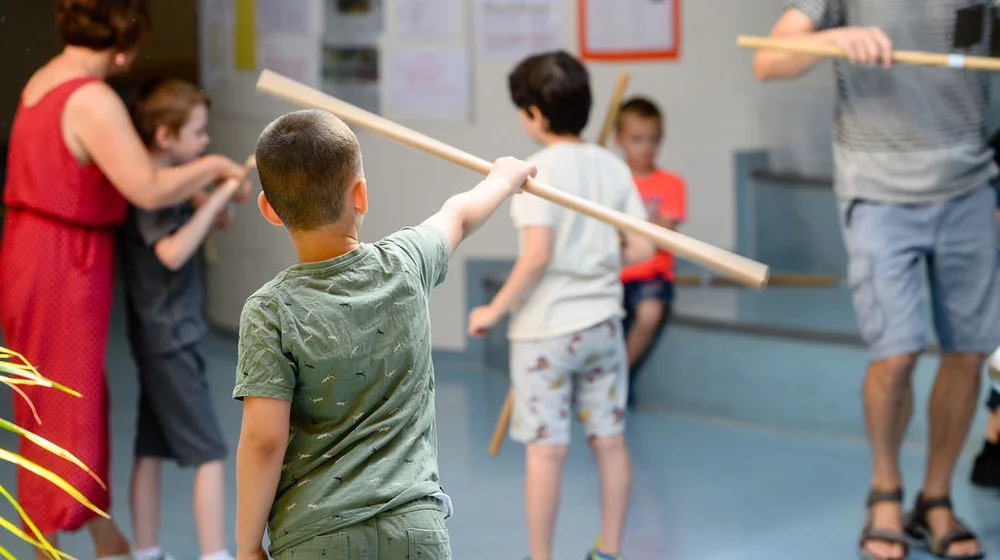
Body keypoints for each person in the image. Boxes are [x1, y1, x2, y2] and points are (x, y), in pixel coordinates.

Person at [231, 109, 537, 560]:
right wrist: (504, 178)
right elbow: (459, 214)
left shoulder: (269, 311)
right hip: (416, 530)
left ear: (268, 210)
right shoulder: (406, 264)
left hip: (314, 537)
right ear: (361, 195)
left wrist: (245, 545)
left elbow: (263, 440)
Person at [753, 3, 999, 560]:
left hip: (969, 183)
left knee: (968, 353)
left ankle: (934, 500)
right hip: (877, 188)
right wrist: (836, 38)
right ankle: (884, 492)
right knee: (897, 352)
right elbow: (768, 61)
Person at [0, 1, 246, 557]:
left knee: (49, 404)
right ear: (122, 43)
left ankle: (92, 534)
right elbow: (148, 188)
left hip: (35, 251)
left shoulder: (46, 79)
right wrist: (211, 168)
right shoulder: (91, 97)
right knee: (66, 406)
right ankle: (62, 538)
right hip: (62, 262)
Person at [467, 51, 654, 560]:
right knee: (610, 442)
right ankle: (611, 550)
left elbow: (537, 257)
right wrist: (597, 250)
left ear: (535, 115)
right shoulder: (611, 166)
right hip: (603, 327)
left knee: (546, 453)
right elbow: (642, 247)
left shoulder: (529, 173)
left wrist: (493, 311)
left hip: (545, 334)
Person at [121, 78, 248, 560]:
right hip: (169, 336)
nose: (206, 141)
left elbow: (214, 222)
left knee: (149, 448)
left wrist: (217, 198)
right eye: (197, 133)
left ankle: (147, 550)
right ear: (165, 137)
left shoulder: (172, 179)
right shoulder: (148, 191)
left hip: (164, 335)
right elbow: (173, 253)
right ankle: (215, 553)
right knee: (211, 453)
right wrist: (214, 194)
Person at [614, 97, 686, 408]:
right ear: (619, 140)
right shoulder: (612, 182)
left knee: (649, 313)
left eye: (653, 139)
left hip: (653, 274)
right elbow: (609, 236)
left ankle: (618, 379)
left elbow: (661, 236)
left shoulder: (671, 184)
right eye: (636, 139)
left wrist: (628, 233)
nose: (645, 147)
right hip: (614, 273)